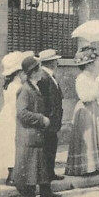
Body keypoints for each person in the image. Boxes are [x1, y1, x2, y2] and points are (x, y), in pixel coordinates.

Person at [13, 55, 56, 197]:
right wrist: (41, 119)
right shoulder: (25, 90)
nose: (41, 71)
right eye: (39, 68)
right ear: (33, 72)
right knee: (30, 166)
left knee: (37, 165)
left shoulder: (35, 87)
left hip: (35, 135)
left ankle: (45, 194)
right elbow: (22, 113)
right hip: (28, 134)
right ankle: (29, 195)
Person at [66, 48, 99, 176]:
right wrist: (97, 84)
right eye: (93, 63)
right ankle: (87, 167)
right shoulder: (81, 78)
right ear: (87, 64)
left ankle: (98, 165)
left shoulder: (91, 77)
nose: (95, 65)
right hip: (86, 110)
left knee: (96, 135)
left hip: (94, 109)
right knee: (88, 136)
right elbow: (86, 97)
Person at [0, 52, 24, 185]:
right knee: (12, 145)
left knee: (12, 145)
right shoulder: (15, 87)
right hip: (12, 117)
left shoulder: (12, 85)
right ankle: (12, 175)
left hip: (8, 115)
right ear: (17, 73)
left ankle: (14, 174)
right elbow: (15, 105)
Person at [37, 49, 64, 181]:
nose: (57, 62)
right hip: (49, 120)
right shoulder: (44, 77)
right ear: (51, 62)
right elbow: (44, 101)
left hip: (53, 119)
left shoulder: (49, 76)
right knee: (48, 147)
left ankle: (50, 173)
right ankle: (47, 174)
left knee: (52, 146)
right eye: (55, 60)